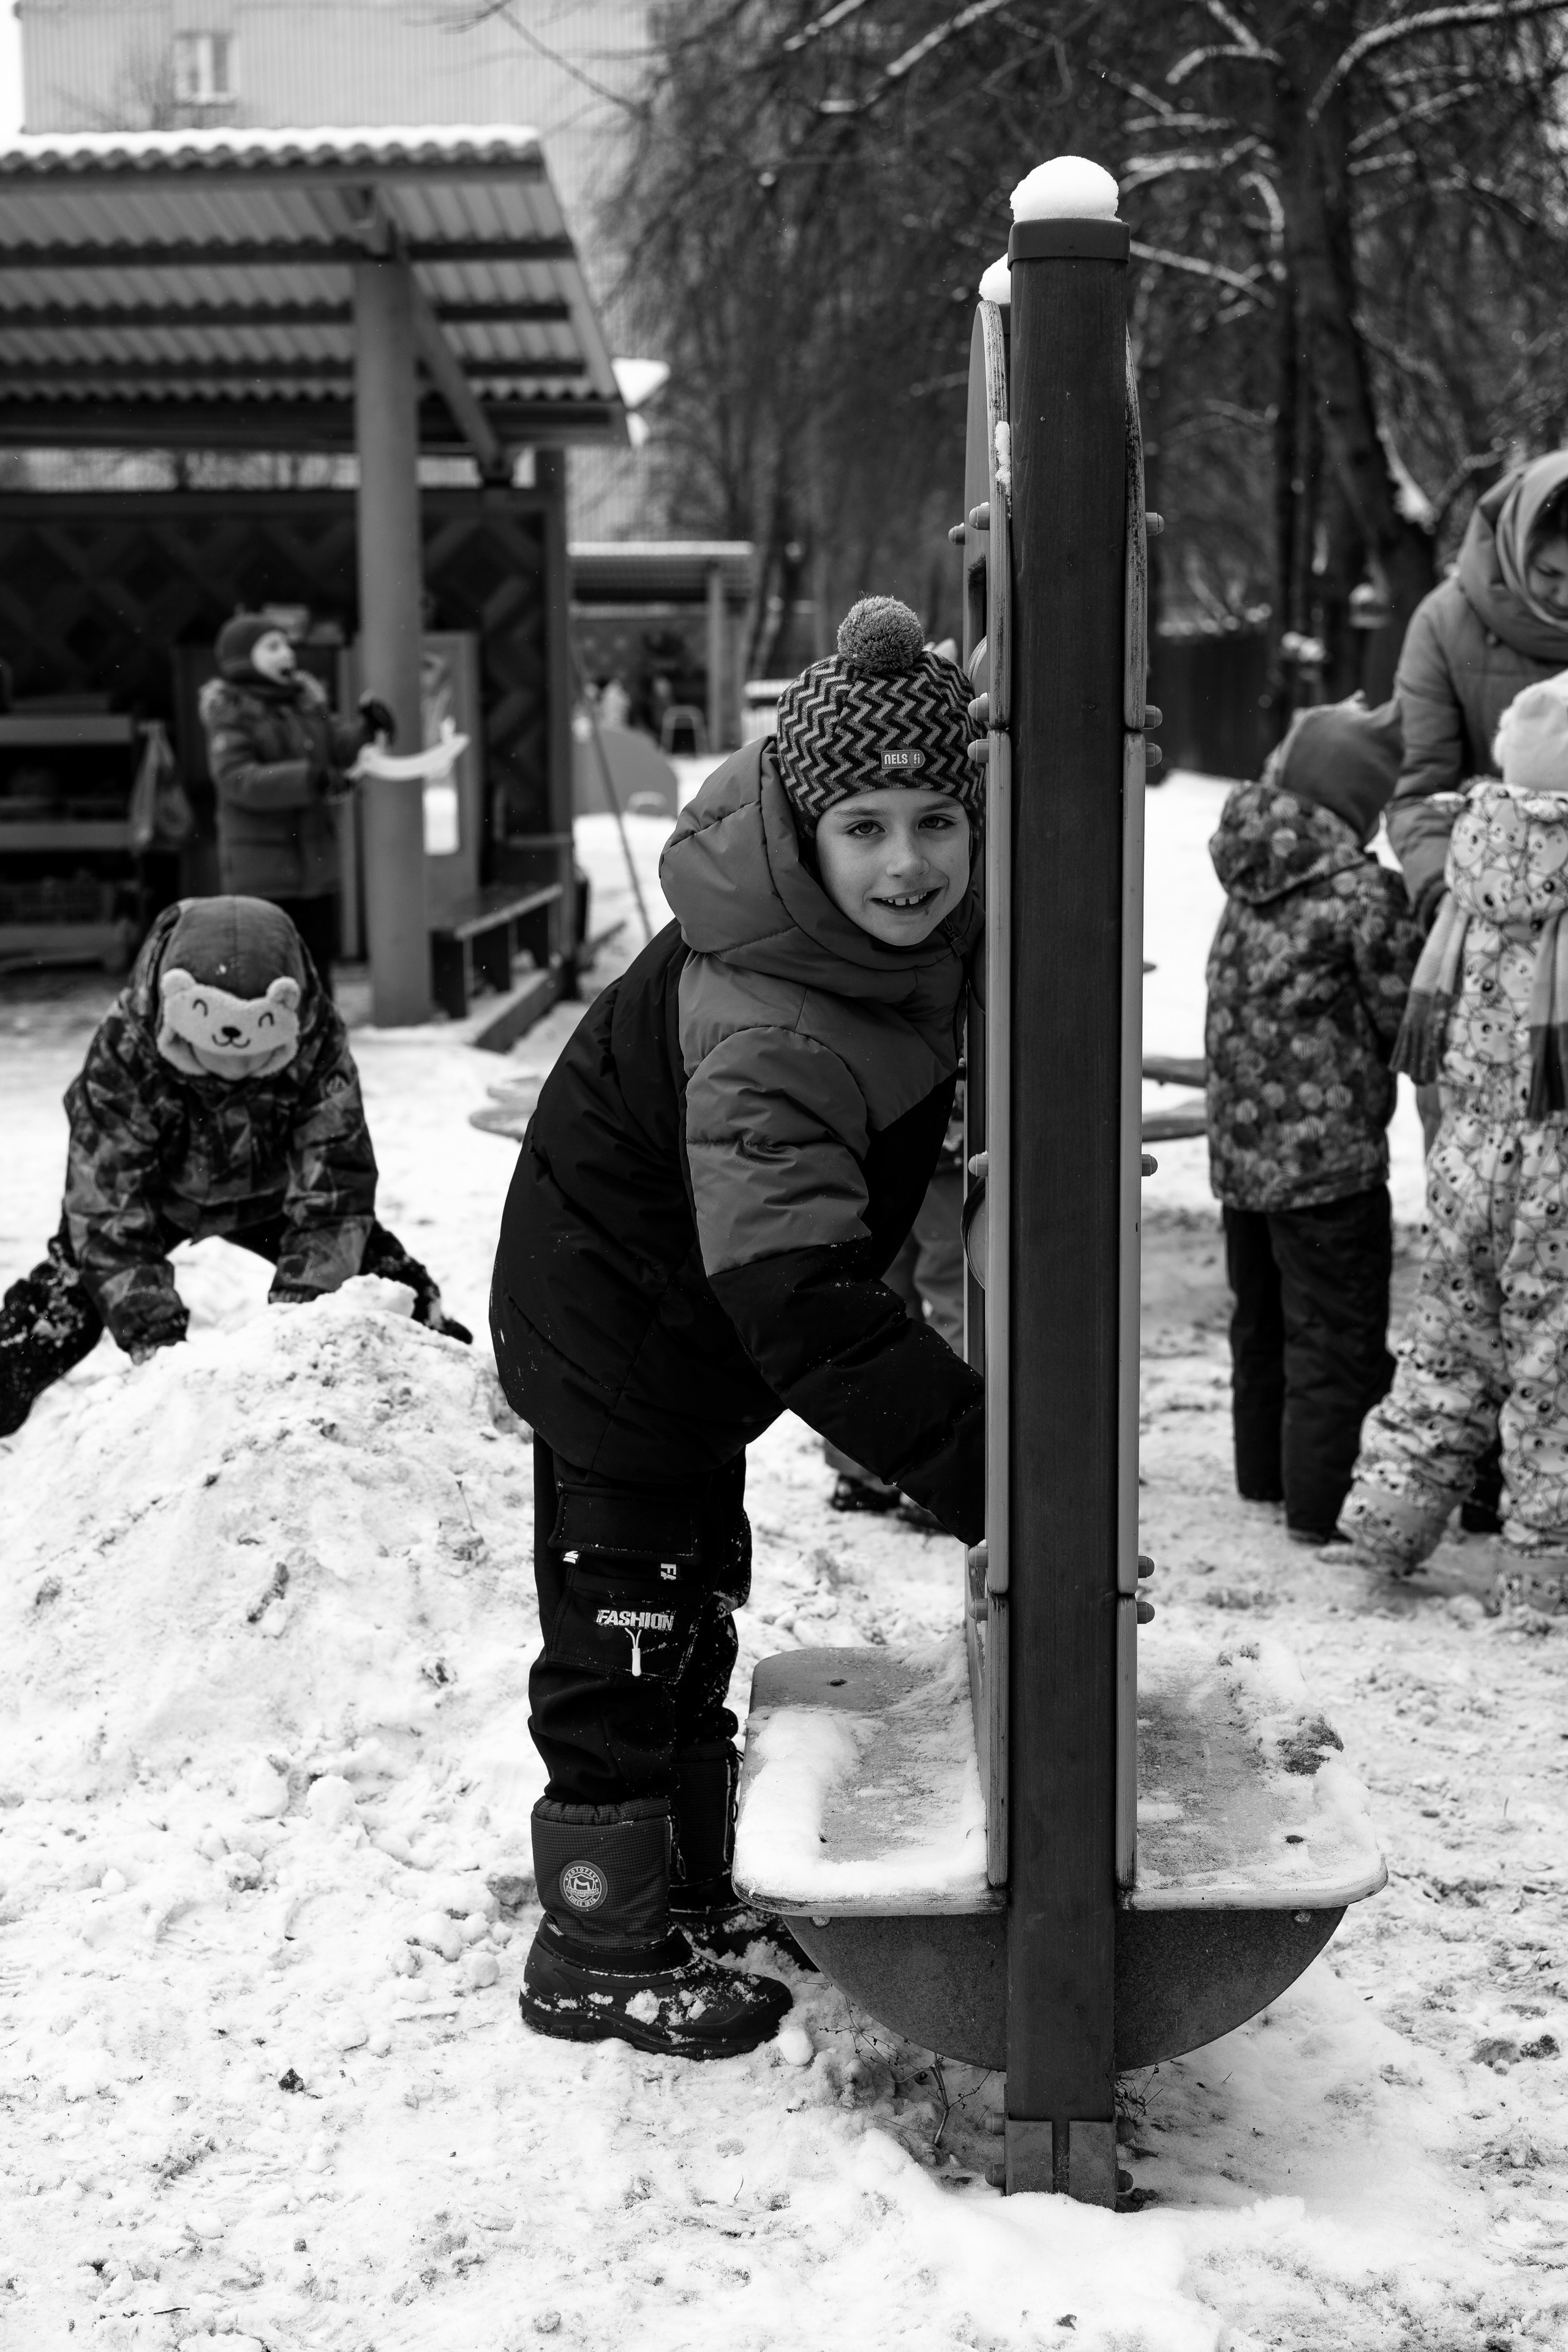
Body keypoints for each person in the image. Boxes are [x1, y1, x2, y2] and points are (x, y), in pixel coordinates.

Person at [489, 596, 984, 2061]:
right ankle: (595, 1946)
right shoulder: (772, 1021)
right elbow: (798, 1300)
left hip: (674, 1327)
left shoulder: (845, 948)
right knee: (624, 1638)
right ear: (801, 834)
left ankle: (690, 1885)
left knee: (692, 1603)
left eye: (937, 823)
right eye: (863, 828)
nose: (905, 863)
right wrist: (991, 1472)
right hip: (622, 1340)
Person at [0, 895, 469, 1438]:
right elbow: (107, 1212)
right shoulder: (125, 1046)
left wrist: (302, 1321)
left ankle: (458, 1393)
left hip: (274, 1196)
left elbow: (335, 1189)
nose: (231, 1077)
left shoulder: (317, 1037)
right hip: (157, 1198)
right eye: (208, 1062)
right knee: (56, 1312)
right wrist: (156, 1343)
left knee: (390, 1290)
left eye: (255, 1063)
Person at [1343, 671, 1568, 1590]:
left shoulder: (1476, 866)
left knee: (1448, 1345)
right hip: (1558, 1168)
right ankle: (1545, 1569)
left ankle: (1388, 1521)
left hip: (1470, 1155)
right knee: (1554, 1375)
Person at [1205, 696, 1423, 1544]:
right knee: (1336, 1337)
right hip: (1330, 1169)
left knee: (1261, 1324)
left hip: (1242, 1161)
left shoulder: (1247, 877)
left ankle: (1265, 1476)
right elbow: (1409, 1022)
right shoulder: (1362, 896)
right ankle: (1321, 1508)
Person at [199, 615, 395, 984]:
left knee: (316, 968)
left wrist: (367, 731)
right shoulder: (231, 714)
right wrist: (310, 778)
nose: (286, 654)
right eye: (272, 647)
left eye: (287, 645)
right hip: (263, 874)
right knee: (271, 973)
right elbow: (237, 779)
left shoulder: (306, 703)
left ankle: (319, 1022)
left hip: (316, 869)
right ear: (243, 659)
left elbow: (337, 745)